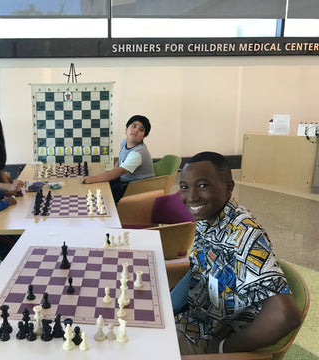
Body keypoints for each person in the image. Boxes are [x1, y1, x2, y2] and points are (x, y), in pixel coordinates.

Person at [174, 151, 301, 355]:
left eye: (203, 185)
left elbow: (285, 315)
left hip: (211, 340)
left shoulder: (244, 234)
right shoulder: (207, 220)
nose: (192, 197)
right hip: (191, 321)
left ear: (229, 187)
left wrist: (225, 348)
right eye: (184, 187)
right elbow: (199, 271)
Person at [82, 115, 154, 203]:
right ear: (126, 129)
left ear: (144, 136)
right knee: (102, 184)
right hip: (124, 180)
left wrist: (95, 178)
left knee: (104, 196)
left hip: (136, 186)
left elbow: (121, 171)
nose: (136, 130)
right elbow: (120, 162)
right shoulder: (124, 142)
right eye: (134, 126)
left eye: (141, 129)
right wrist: (109, 174)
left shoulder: (138, 153)